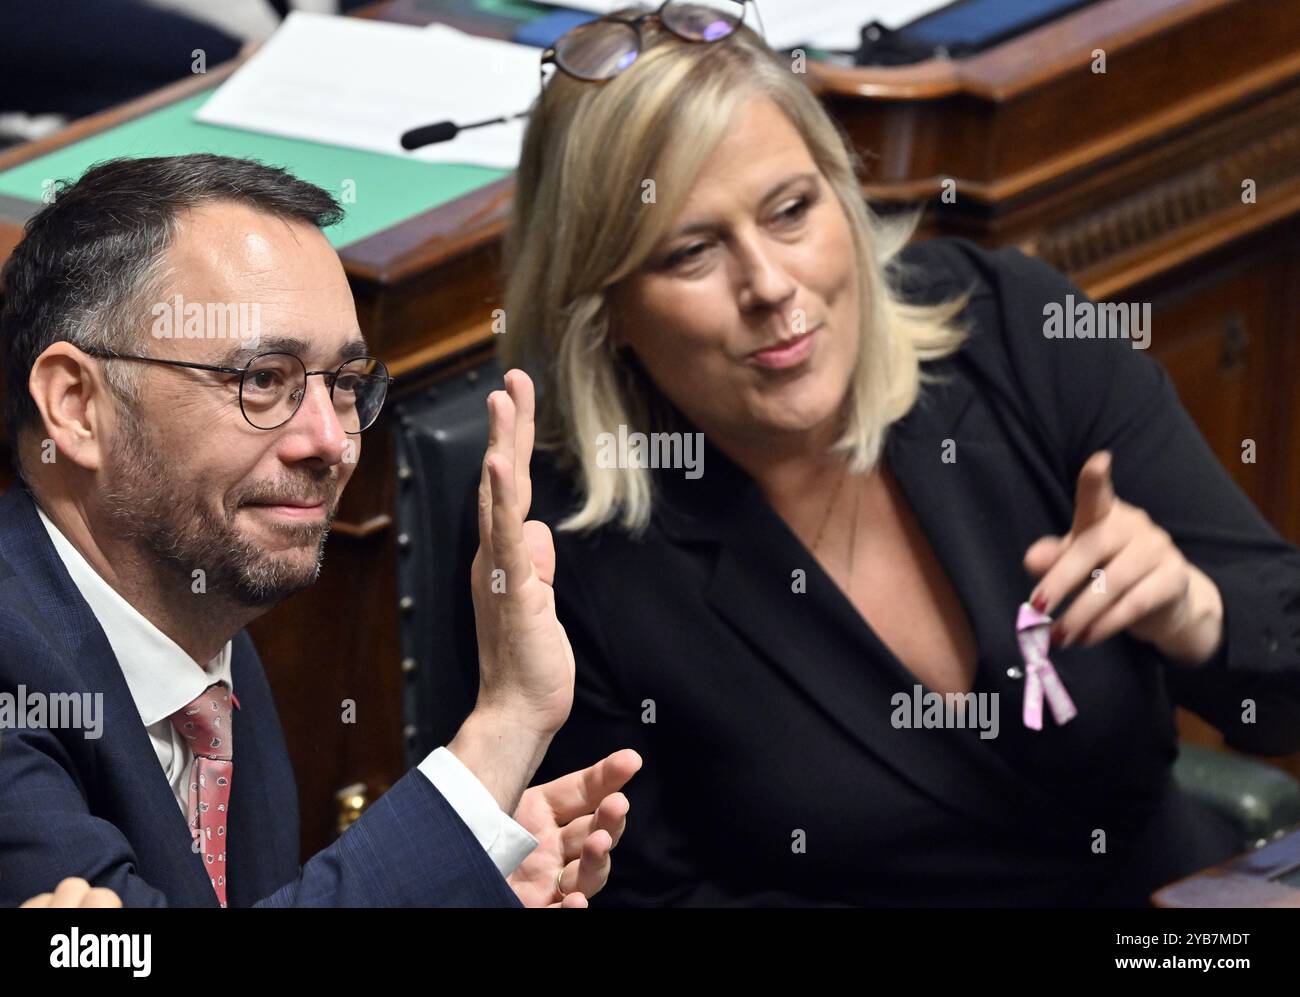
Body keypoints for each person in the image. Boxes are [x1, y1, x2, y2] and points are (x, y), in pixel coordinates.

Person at [488, 6, 1300, 905]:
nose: (770, 284)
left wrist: (1198, 611)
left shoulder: (1014, 328)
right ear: (607, 316)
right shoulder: (560, 555)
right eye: (691, 252)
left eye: (791, 210)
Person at [0, 153, 638, 907]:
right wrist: (505, 726)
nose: (330, 442)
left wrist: (461, 869)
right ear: (76, 405)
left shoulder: (202, 615)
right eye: (263, 379)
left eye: (343, 385)